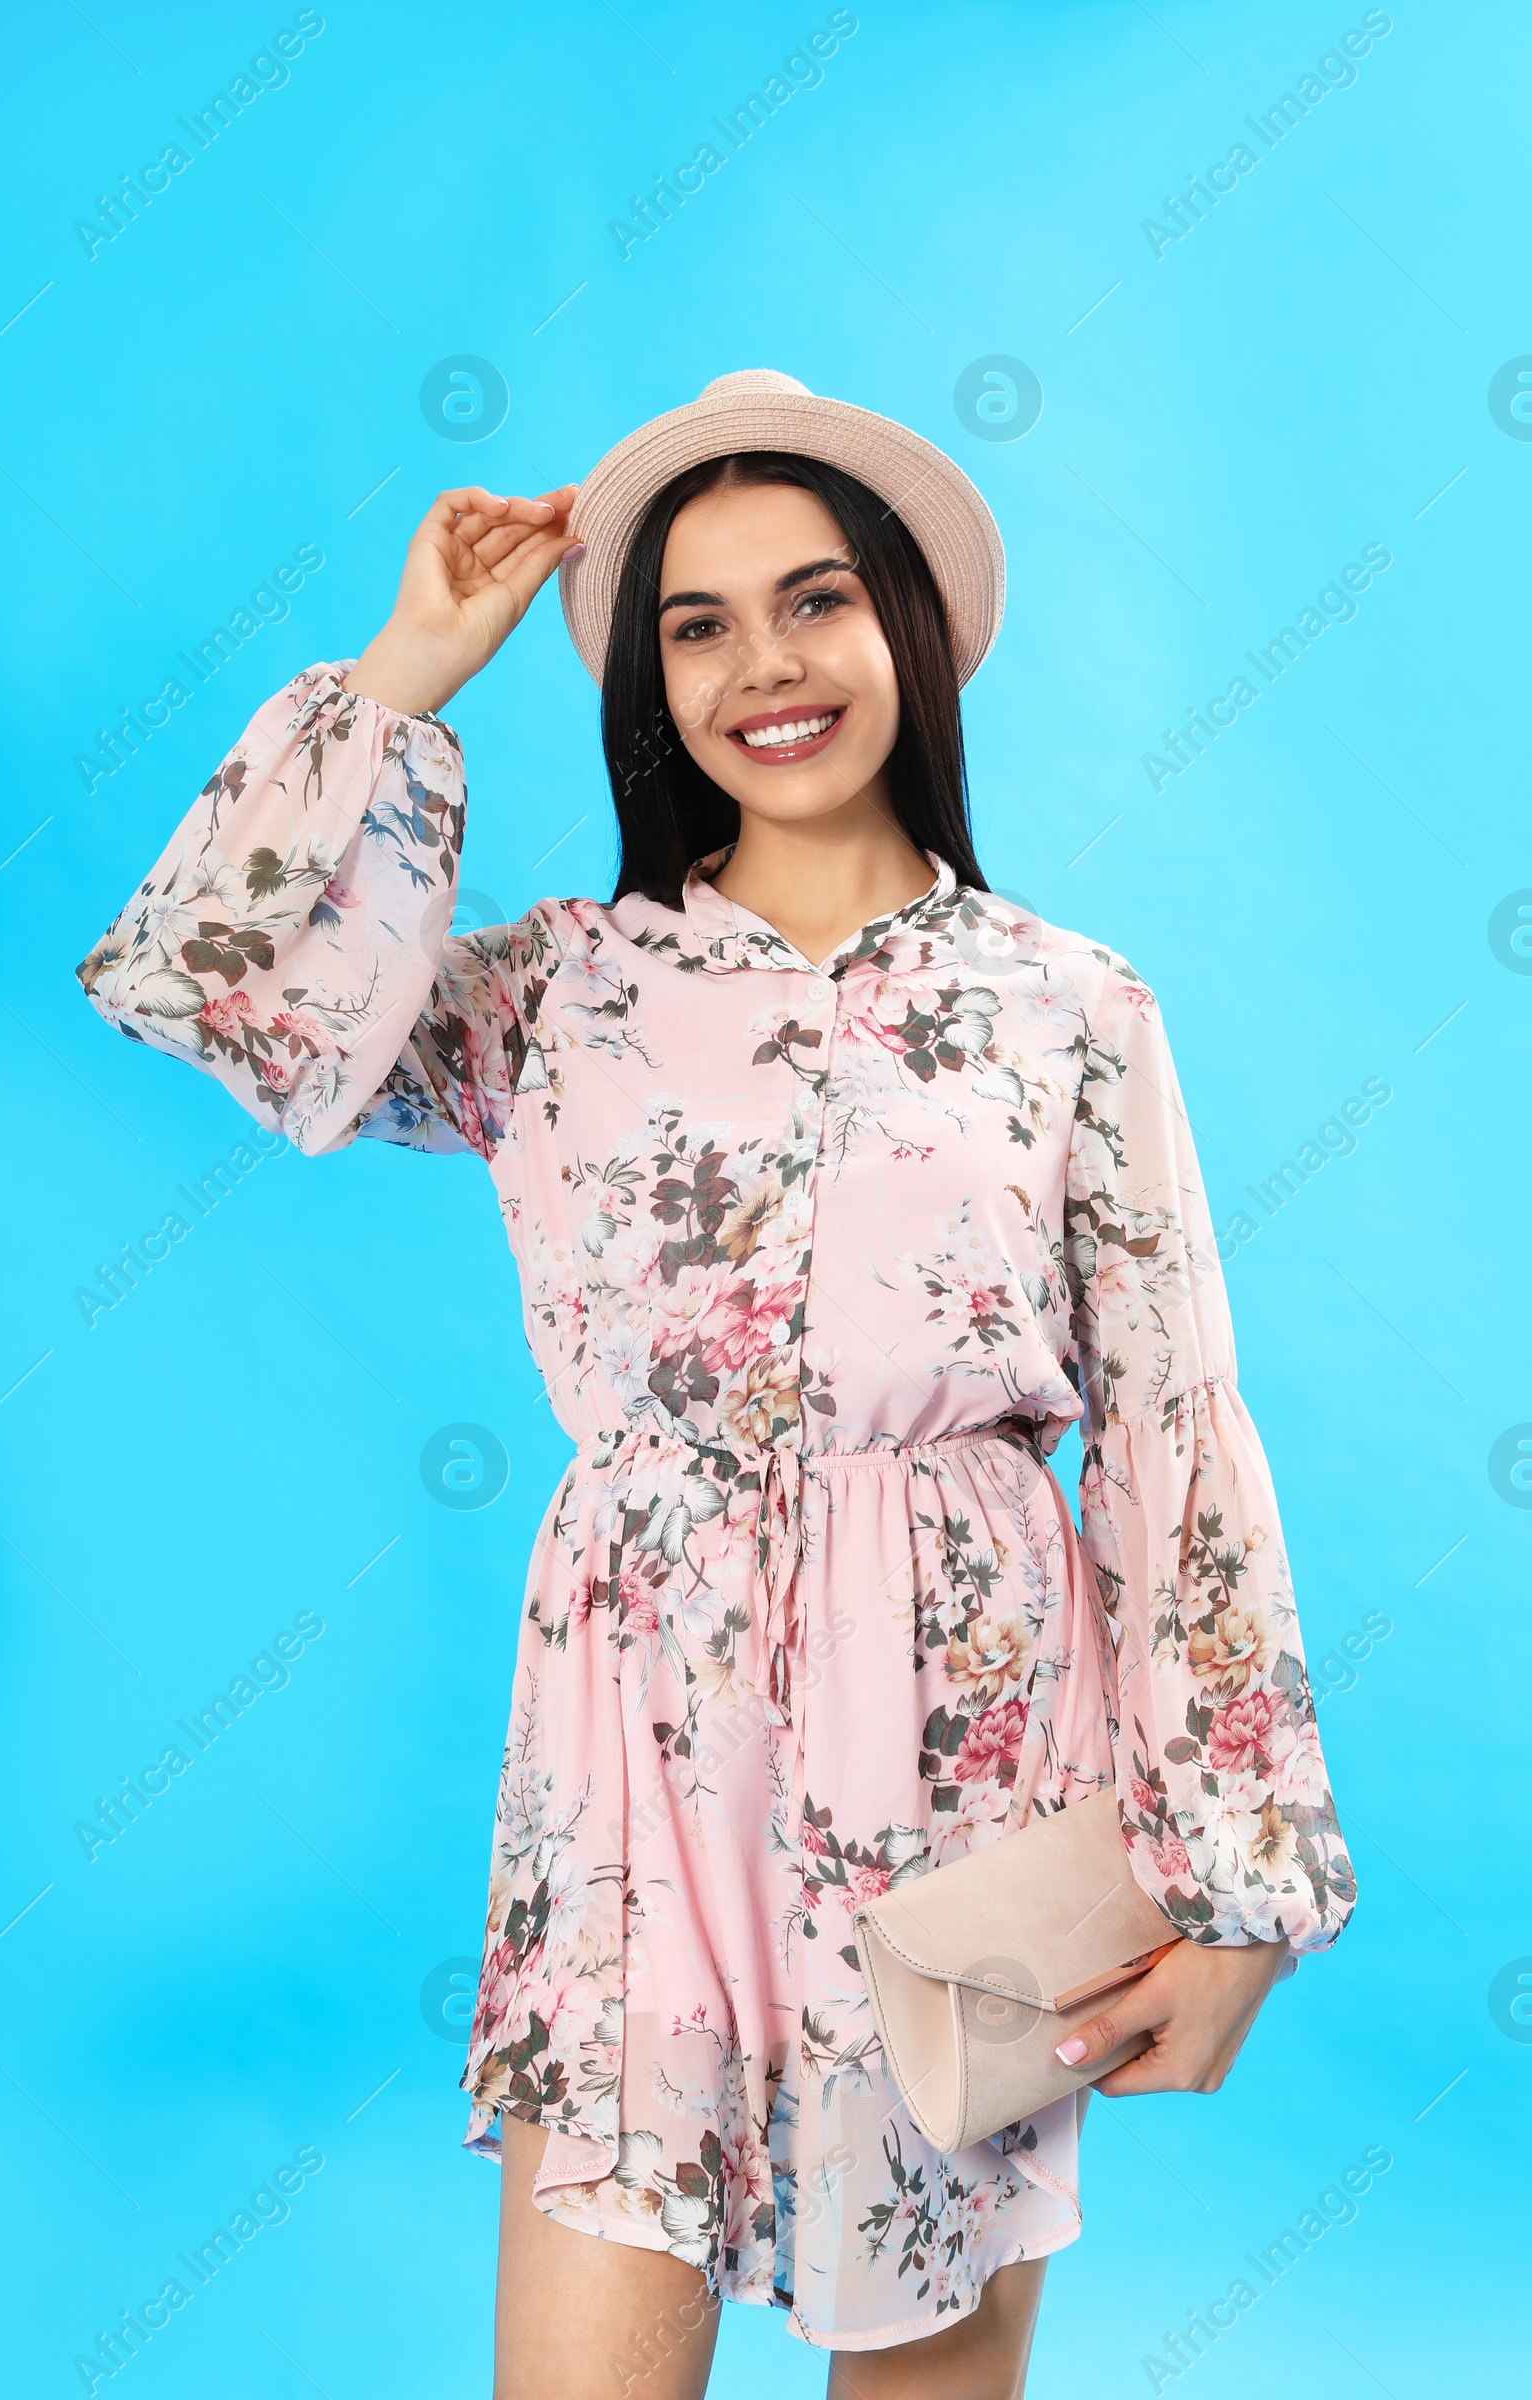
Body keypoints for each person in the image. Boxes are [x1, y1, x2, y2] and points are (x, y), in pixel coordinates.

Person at [77, 370, 1354, 2399]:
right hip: (631, 1767)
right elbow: (202, 989)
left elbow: (1178, 1437)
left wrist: (1238, 1885)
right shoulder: (546, 997)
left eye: (815, 600)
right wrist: (411, 670)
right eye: (697, 622)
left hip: (968, 1761)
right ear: (648, 686)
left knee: (926, 2364)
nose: (764, 664)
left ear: (904, 634)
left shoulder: (1065, 1005)